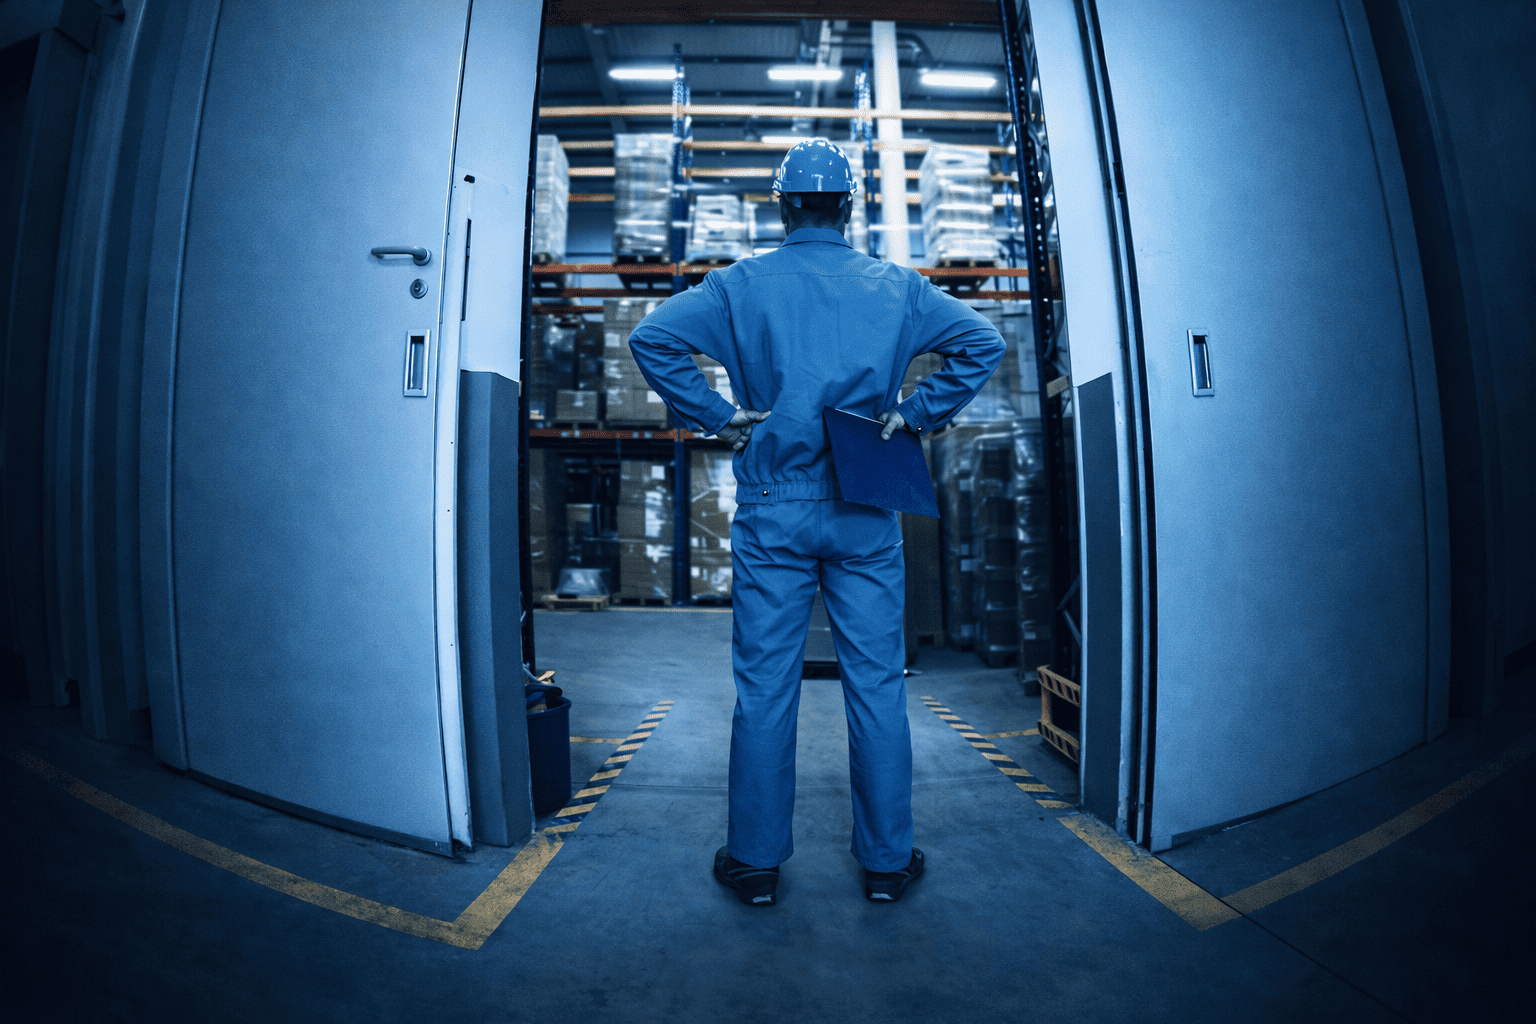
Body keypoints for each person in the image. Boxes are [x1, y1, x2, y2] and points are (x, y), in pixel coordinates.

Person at [626, 138, 1006, 906]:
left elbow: (652, 338)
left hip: (774, 508)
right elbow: (983, 342)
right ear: (850, 205)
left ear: (782, 203)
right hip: (866, 505)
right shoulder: (897, 287)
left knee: (766, 687)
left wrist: (721, 418)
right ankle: (887, 865)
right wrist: (915, 413)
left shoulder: (739, 285)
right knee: (876, 684)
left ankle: (757, 864)